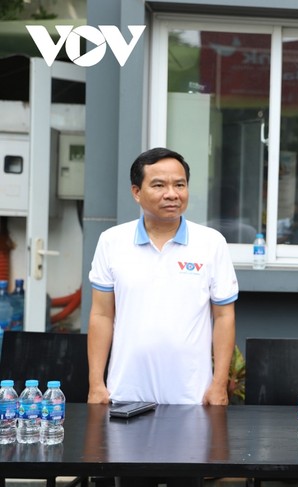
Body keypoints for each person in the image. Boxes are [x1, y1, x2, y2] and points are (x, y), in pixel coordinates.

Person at [87, 147, 238, 407]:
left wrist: (218, 385)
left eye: (180, 184)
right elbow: (101, 315)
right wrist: (96, 384)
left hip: (192, 396)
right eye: (158, 185)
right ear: (136, 192)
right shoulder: (112, 242)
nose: (172, 194)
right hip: (126, 392)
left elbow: (224, 316)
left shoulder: (211, 243)